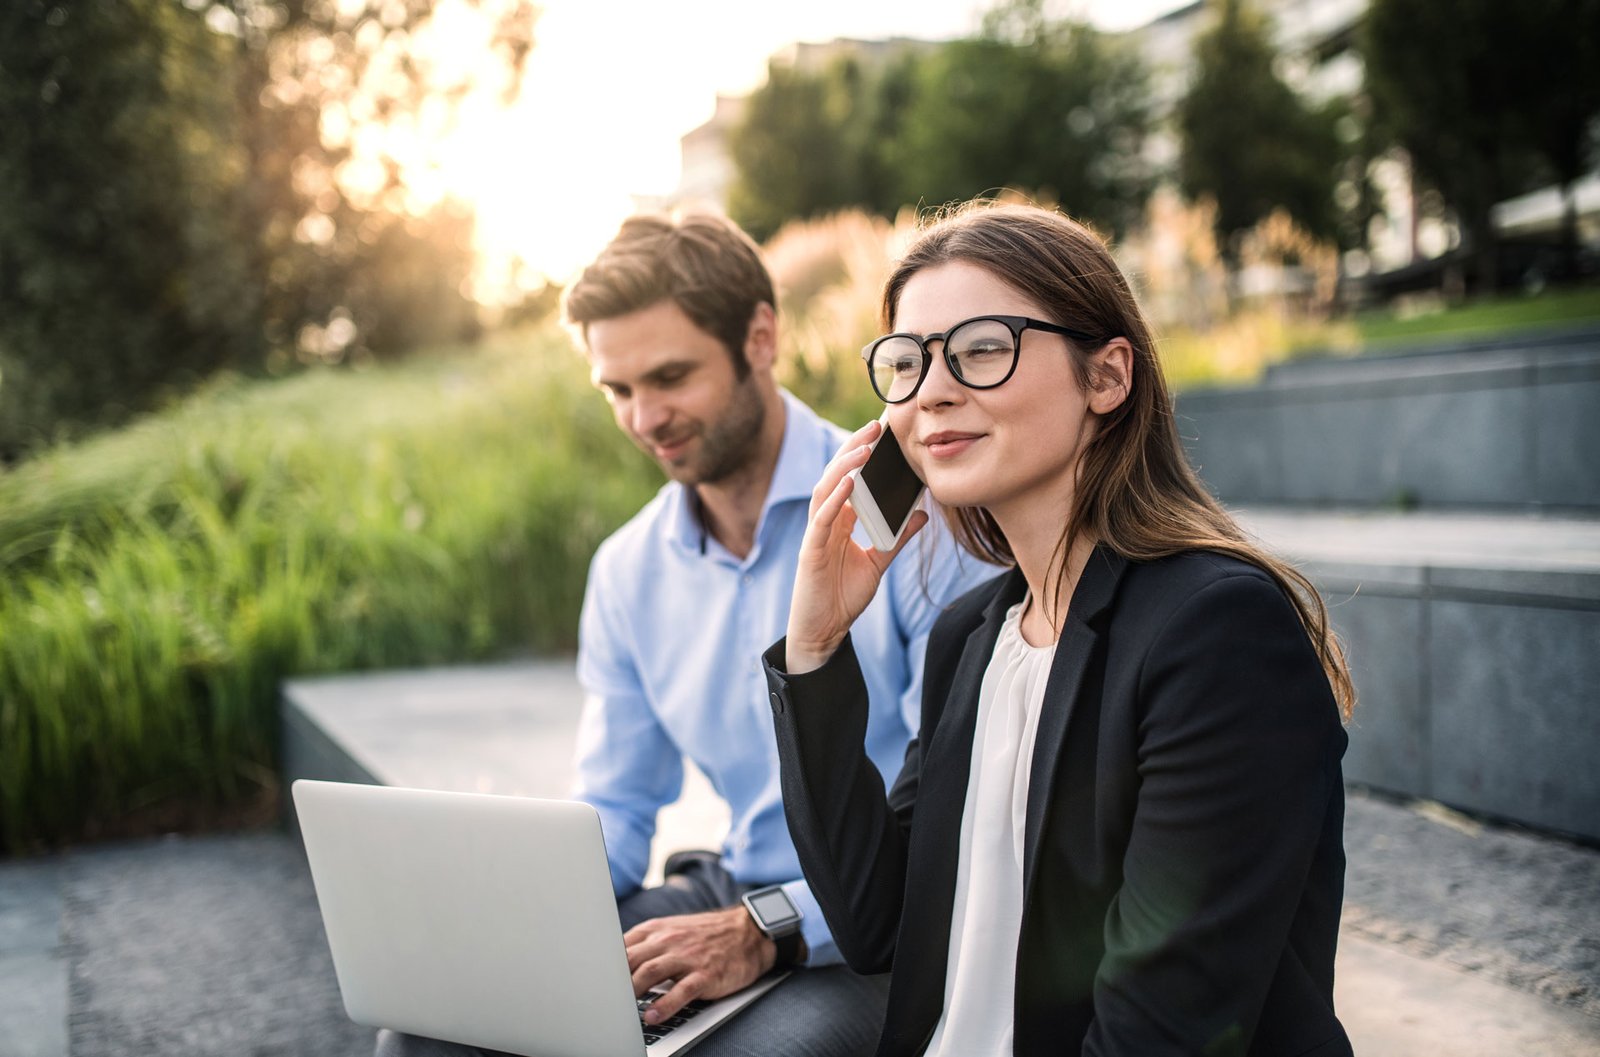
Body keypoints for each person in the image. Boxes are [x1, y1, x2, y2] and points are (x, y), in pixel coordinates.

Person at [376, 212, 991, 1057]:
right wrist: (514, 910)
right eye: (618, 389)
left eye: (670, 376)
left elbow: (959, 817)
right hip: (730, 883)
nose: (644, 417)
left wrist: (772, 923)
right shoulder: (628, 571)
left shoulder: (909, 515)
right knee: (434, 1032)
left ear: (761, 338)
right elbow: (619, 807)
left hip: (878, 917)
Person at [762, 201, 1356, 1057]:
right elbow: (877, 923)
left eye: (982, 348)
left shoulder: (1216, 631)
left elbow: (1161, 1030)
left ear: (1107, 376)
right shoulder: (974, 634)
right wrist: (815, 649)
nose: (932, 390)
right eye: (907, 361)